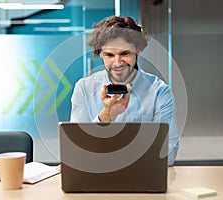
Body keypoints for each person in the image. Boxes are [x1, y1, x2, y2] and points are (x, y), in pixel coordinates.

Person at [70, 15, 179, 166]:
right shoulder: (84, 88)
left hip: (142, 178)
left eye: (125, 53)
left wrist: (109, 157)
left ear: (138, 50)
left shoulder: (159, 91)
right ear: (101, 54)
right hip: (97, 176)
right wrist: (106, 116)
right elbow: (77, 150)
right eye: (109, 55)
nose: (117, 63)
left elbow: (168, 153)